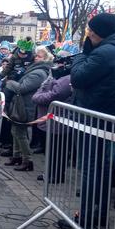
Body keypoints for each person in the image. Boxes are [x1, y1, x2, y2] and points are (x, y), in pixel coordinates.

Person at [59, 12, 115, 229]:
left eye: (91, 30)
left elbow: (78, 77)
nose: (88, 33)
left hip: (93, 116)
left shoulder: (103, 54)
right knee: (100, 167)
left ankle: (86, 216)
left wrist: (83, 55)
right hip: (106, 116)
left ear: (99, 32)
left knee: (91, 168)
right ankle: (98, 215)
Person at [4, 46, 53, 171]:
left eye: (39, 56)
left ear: (45, 59)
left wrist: (9, 83)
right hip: (21, 104)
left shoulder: (39, 73)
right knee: (15, 131)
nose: (35, 57)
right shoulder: (34, 70)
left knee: (20, 133)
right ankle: (17, 156)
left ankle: (27, 160)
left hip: (26, 106)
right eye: (36, 55)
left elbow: (22, 88)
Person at [31, 51, 73, 181]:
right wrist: (39, 96)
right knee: (50, 149)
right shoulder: (53, 76)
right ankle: (50, 173)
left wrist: (38, 97)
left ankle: (56, 175)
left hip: (59, 120)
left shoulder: (67, 79)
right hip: (49, 118)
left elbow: (55, 94)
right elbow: (42, 88)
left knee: (58, 151)